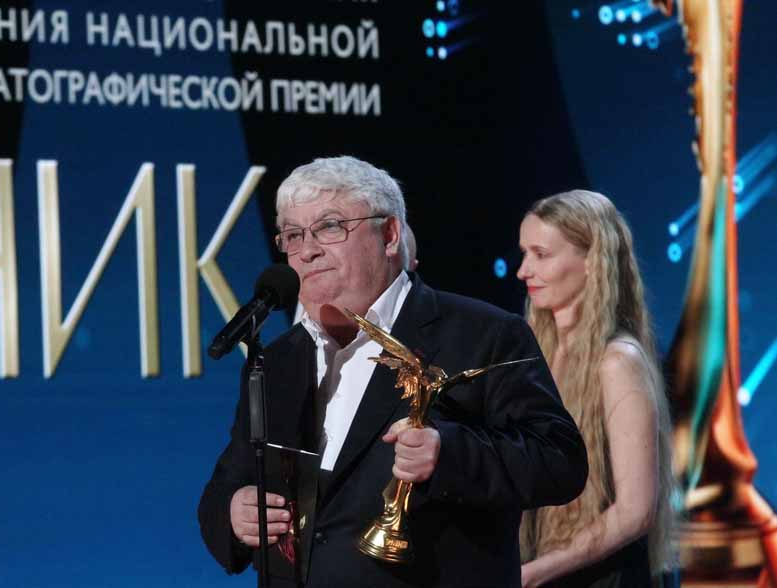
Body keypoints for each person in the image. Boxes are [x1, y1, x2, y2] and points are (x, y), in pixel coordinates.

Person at [198, 156, 588, 588]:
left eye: (330, 226)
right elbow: (225, 486)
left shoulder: (483, 333)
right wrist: (235, 512)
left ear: (388, 235)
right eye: (292, 235)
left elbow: (560, 461)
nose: (306, 250)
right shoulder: (277, 361)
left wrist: (450, 453)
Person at [515, 190, 676, 587]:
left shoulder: (618, 362)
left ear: (591, 262)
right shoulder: (537, 354)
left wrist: (533, 574)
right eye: (524, 254)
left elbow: (635, 512)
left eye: (541, 254)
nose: (523, 271)